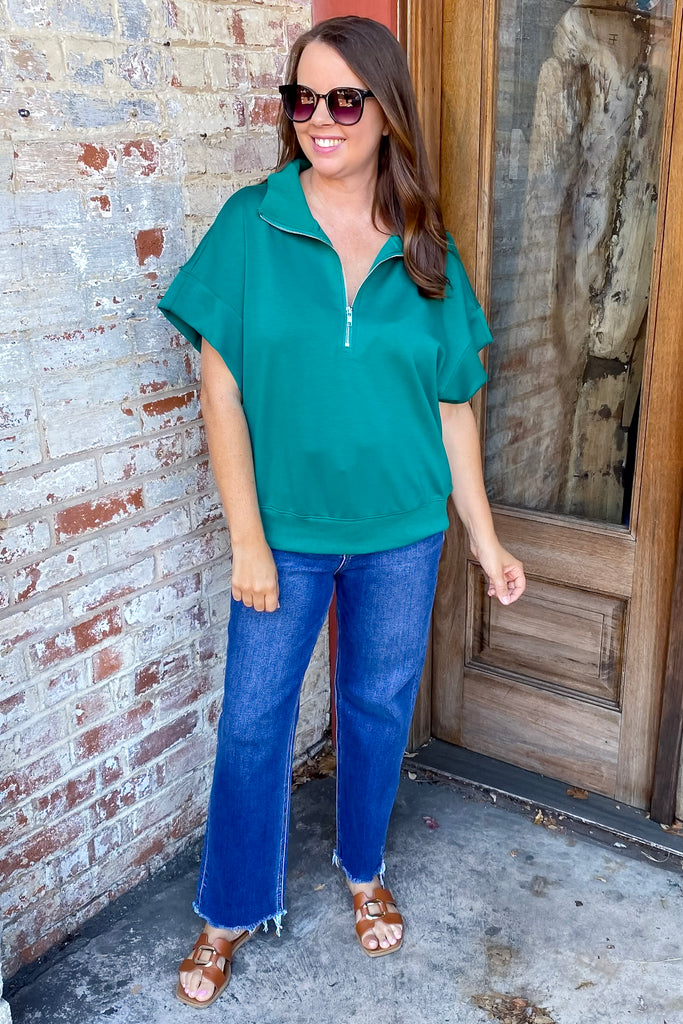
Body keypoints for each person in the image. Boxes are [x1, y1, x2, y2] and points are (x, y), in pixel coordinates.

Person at [158, 14, 526, 1009]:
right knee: (253, 722)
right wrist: (246, 540)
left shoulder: (425, 245)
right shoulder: (252, 223)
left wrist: (484, 537)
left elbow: (451, 406)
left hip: (403, 532)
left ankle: (363, 868)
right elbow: (220, 392)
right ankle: (230, 907)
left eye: (345, 99)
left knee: (374, 708)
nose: (320, 118)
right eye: (303, 98)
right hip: (283, 537)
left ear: (385, 111)